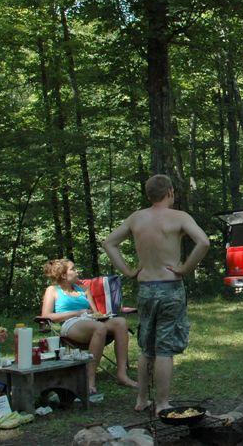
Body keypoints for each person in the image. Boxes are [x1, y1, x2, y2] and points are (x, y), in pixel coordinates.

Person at [102, 174, 210, 414]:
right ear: (170, 191)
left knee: (146, 347)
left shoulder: (136, 218)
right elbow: (203, 242)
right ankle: (162, 403)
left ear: (149, 194)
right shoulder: (179, 217)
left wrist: (128, 271)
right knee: (164, 349)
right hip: (170, 288)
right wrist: (185, 268)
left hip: (146, 288)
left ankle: (141, 399)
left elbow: (109, 243)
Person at [41, 259, 137, 394]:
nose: (77, 271)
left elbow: (94, 312)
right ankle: (90, 379)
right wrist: (77, 312)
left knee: (121, 322)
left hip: (91, 321)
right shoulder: (53, 290)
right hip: (70, 324)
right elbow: (46, 315)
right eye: (73, 269)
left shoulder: (83, 290)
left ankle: (122, 374)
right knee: (99, 328)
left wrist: (100, 315)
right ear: (63, 275)